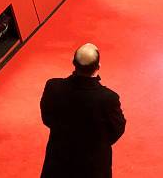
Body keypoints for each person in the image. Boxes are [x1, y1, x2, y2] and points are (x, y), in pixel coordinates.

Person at [40, 43, 126, 178]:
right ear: (98, 67)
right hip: (94, 167)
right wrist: (97, 142)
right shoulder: (108, 98)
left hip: (59, 161)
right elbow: (117, 129)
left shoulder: (53, 87)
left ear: (73, 63)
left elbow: (47, 118)